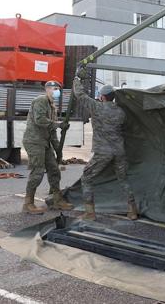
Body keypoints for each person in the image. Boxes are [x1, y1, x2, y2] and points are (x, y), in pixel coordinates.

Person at [72, 71, 137, 221]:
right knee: (123, 179)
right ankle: (132, 210)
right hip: (119, 151)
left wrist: (76, 79)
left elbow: (80, 95)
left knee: (87, 177)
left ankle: (90, 213)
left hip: (103, 151)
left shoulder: (97, 107)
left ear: (102, 97)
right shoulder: (121, 112)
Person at [21, 81, 74, 214]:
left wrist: (58, 151)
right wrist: (58, 124)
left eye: (59, 89)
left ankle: (57, 200)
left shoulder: (52, 107)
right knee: (37, 172)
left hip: (45, 143)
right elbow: (39, 120)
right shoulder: (41, 100)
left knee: (54, 170)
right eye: (55, 89)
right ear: (47, 89)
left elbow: (52, 132)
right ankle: (28, 203)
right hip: (34, 141)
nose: (57, 91)